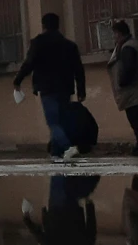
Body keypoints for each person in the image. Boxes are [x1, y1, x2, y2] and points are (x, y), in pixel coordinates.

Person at [13, 12, 87, 160]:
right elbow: (78, 69)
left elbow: (29, 63)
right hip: (65, 88)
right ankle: (56, 153)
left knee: (53, 122)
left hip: (47, 88)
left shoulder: (38, 43)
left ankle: (67, 147)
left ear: (44, 25)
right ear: (58, 25)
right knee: (60, 121)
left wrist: (18, 80)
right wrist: (81, 89)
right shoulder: (69, 45)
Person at [107, 18, 138, 155]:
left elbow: (128, 67)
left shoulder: (128, 47)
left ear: (119, 33)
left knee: (136, 120)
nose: (114, 37)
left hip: (134, 91)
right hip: (137, 90)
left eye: (114, 34)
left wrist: (122, 81)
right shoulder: (131, 44)